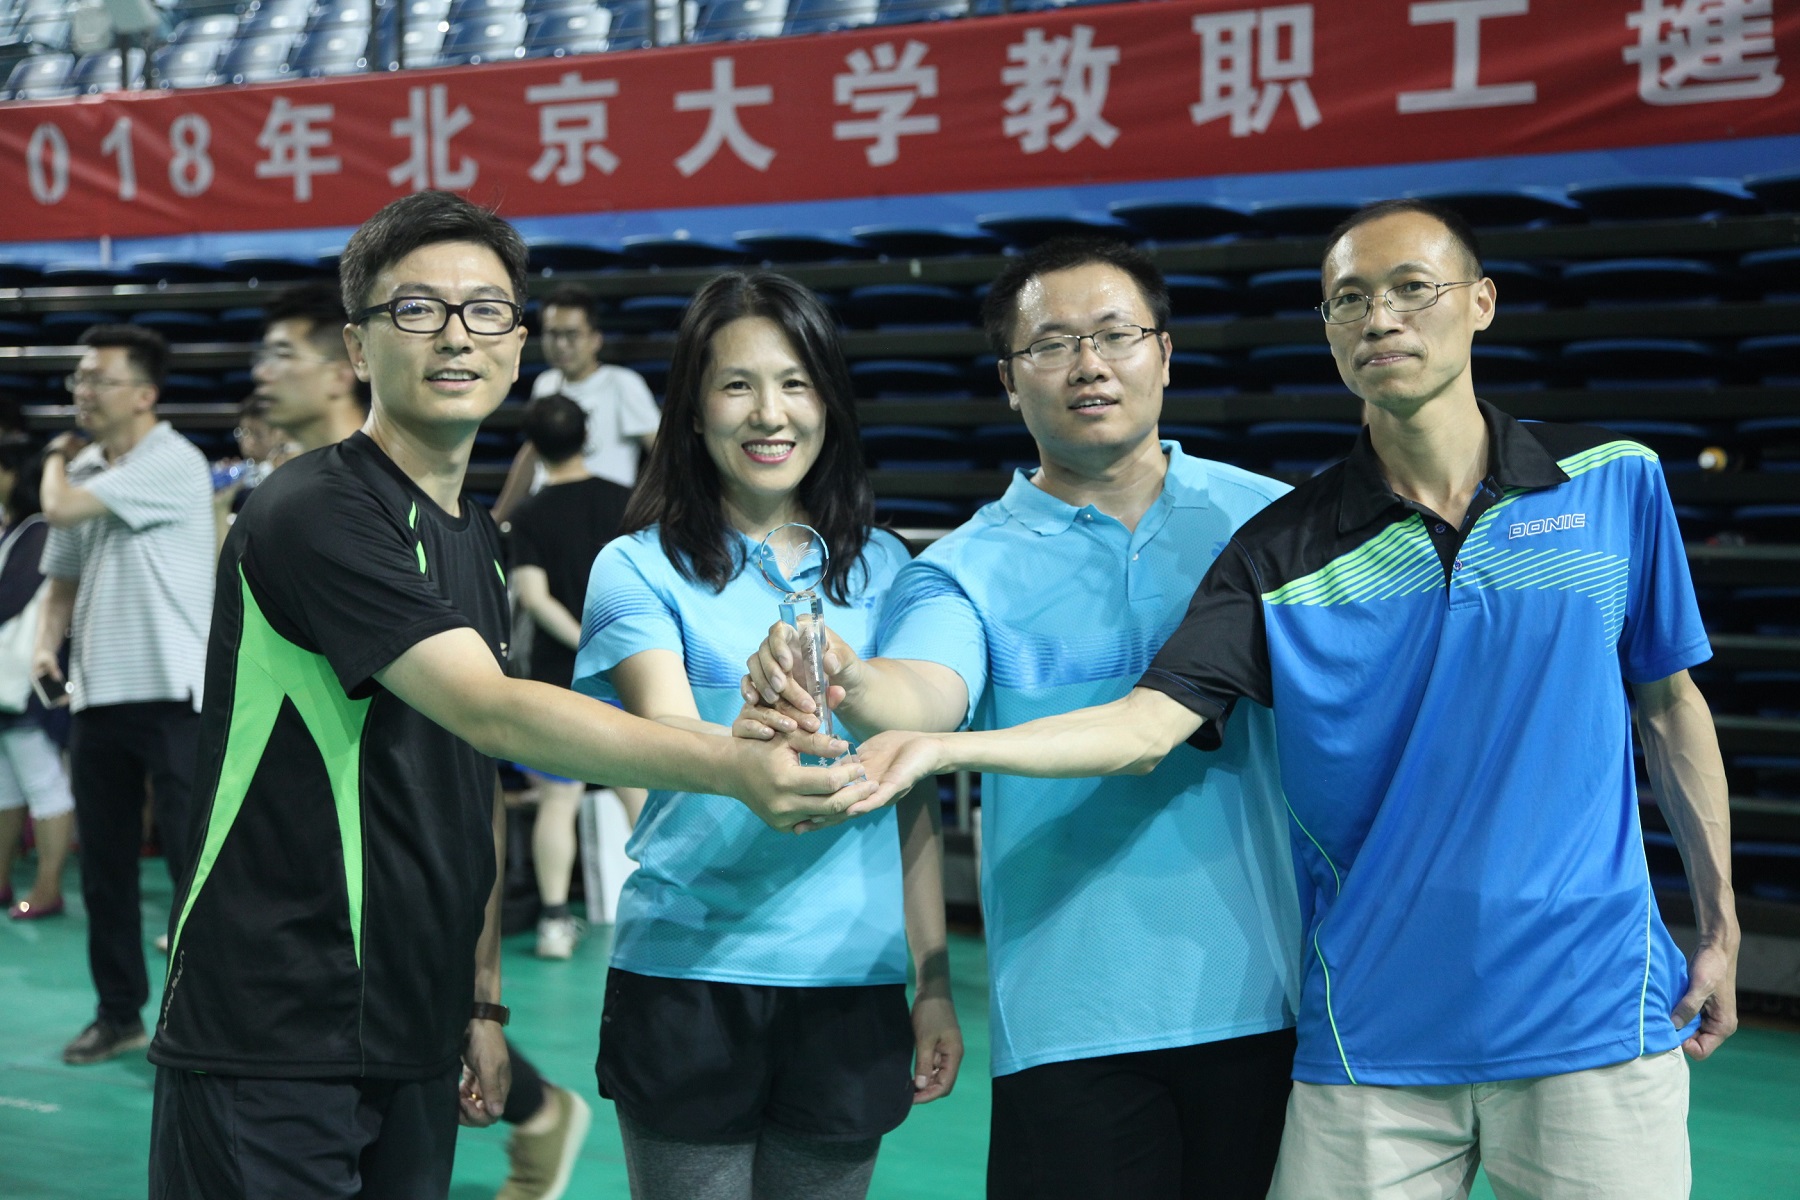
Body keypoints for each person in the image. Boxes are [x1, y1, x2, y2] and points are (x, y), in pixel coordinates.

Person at [845, 200, 1739, 1200]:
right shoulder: (1282, 549)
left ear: (1482, 302)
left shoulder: (1612, 483)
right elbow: (1143, 726)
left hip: (1590, 1011)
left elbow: (1670, 704)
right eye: (1349, 299)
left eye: (1413, 289)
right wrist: (939, 742)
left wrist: (1721, 922)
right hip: (1363, 1034)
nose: (1381, 317)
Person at [146, 191, 872, 1200]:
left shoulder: (477, 537)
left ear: (519, 345)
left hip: (412, 1021)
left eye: (485, 310)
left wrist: (481, 998)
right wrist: (731, 763)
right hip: (272, 1027)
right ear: (358, 347)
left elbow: (467, 773)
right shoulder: (315, 509)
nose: (456, 335)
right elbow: (489, 707)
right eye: (416, 310)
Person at [742, 238, 1302, 1199]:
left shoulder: (1275, 524)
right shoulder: (963, 567)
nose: (1088, 365)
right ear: (1008, 381)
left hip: (1273, 1000)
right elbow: (925, 691)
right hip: (1067, 1020)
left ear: (1165, 354)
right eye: (1051, 344)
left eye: (1115, 335)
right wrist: (847, 675)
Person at [574, 270, 962, 1200]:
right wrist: (734, 752)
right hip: (685, 971)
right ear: (692, 410)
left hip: (852, 980)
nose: (769, 413)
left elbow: (908, 786)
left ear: (828, 403)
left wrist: (934, 981)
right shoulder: (636, 566)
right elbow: (663, 731)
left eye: (795, 383)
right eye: (736, 385)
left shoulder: (886, 569)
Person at [34, 324, 215, 1066]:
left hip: (175, 693)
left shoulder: (173, 460)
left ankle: (205, 1020)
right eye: (77, 378)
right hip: (99, 697)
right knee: (105, 870)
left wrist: (51, 456)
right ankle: (119, 1015)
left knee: (192, 870)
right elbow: (62, 577)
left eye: (97, 379)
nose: (82, 391)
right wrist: (46, 643)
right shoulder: (87, 468)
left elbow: (58, 509)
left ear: (144, 394)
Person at [507, 393, 636, 960]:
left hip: (558, 675)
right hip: (627, 667)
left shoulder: (529, 514)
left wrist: (581, 638)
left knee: (559, 798)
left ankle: (554, 924)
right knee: (640, 787)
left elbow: (533, 598)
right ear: (587, 436)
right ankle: (664, 909)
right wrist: (607, 640)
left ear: (533, 447)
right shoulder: (625, 500)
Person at [492, 285, 658, 521]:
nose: (561, 344)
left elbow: (662, 452)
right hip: (546, 513)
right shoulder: (545, 383)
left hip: (603, 518)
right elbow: (532, 453)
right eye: (553, 334)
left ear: (595, 339)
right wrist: (498, 517)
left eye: (571, 334)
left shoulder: (622, 383)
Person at [0, 438, 74, 921]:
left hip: (27, 684)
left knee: (44, 784)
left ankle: (47, 888)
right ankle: (4, 880)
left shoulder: (39, 529)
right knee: (5, 787)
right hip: (11, 686)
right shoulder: (20, 529)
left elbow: (11, 599)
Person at [252, 280, 368, 454]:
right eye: (265, 358)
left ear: (340, 376)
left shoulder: (392, 468)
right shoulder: (294, 470)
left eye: (283, 355)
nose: (260, 373)